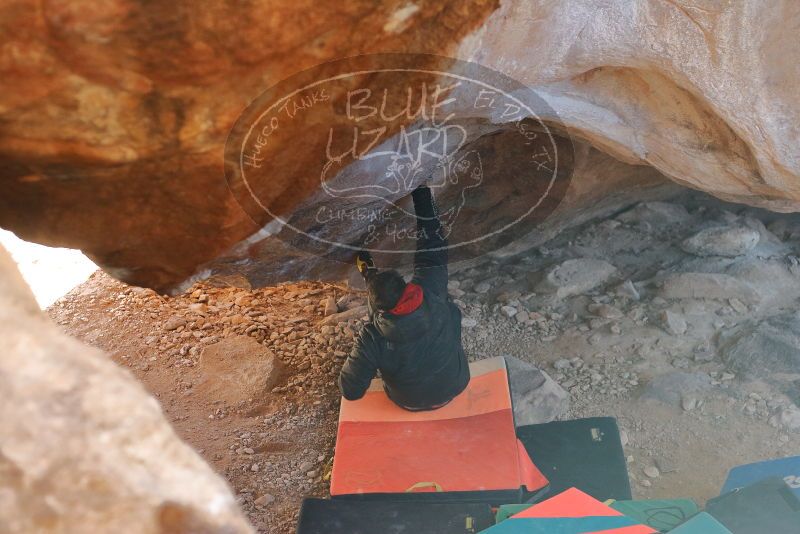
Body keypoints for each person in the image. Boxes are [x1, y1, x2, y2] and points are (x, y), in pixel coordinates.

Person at [338, 185, 470, 411]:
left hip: (408, 401)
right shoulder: (431, 290)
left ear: (381, 308)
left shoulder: (372, 338)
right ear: (405, 285)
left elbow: (350, 390)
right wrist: (421, 193)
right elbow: (433, 242)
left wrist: (369, 274)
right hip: (455, 385)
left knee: (378, 324)